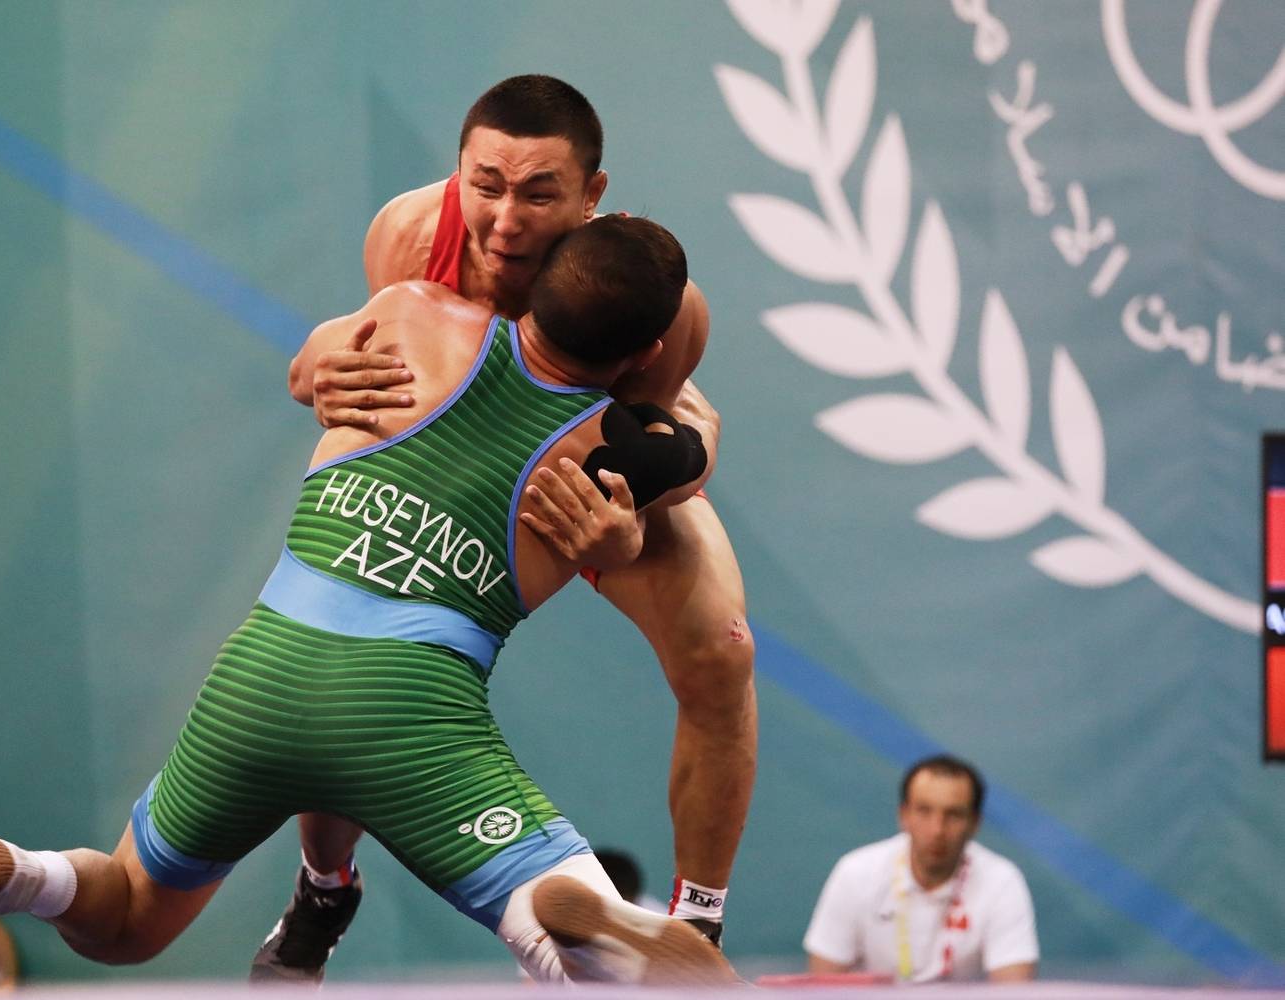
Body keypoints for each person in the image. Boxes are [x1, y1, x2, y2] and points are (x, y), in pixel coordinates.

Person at [0, 216, 738, 986]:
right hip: (407, 713)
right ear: (645, 356)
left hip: (261, 676)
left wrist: (317, 366)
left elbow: (312, 361)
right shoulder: (619, 456)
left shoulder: (407, 313)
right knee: (557, 928)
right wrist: (659, 466)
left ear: (538, 283)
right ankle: (576, 919)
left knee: (125, 918)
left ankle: (23, 873)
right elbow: (693, 449)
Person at [258, 71, 756, 982]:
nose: (504, 222)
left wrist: (636, 516)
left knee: (723, 651)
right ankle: (325, 887)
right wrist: (318, 371)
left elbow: (662, 460)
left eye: (538, 196)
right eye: (484, 187)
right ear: (458, 173)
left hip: (577, 482)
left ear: (590, 196)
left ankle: (695, 929)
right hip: (453, 460)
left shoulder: (664, 303)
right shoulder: (411, 236)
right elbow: (363, 380)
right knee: (342, 646)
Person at [802, 755, 1039, 983]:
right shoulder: (855, 874)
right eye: (924, 811)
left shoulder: (1002, 882)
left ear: (975, 823)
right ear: (903, 815)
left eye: (953, 815)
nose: (937, 830)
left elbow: (1015, 991)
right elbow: (823, 989)